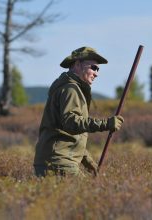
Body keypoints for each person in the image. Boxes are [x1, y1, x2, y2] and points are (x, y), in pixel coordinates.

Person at [33, 46, 124, 177]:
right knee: (89, 196)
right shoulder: (71, 89)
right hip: (59, 162)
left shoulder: (68, 88)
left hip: (54, 159)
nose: (96, 73)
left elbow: (69, 136)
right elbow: (71, 122)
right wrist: (106, 123)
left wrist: (88, 162)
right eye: (93, 67)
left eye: (98, 69)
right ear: (77, 64)